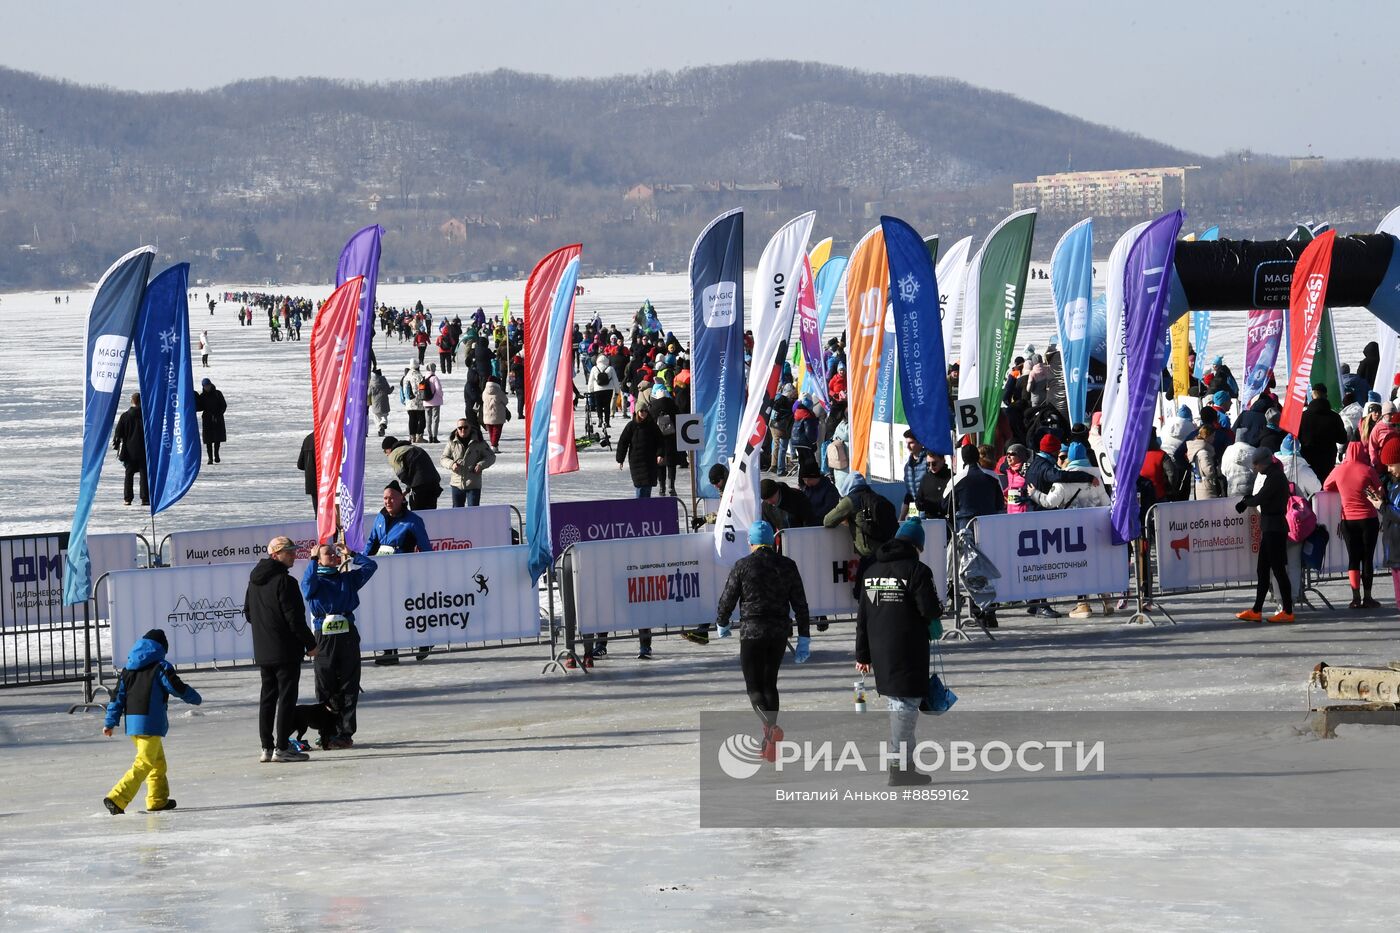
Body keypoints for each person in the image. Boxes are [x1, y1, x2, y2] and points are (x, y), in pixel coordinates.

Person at [712, 521, 811, 763]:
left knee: (754, 688)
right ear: (774, 541)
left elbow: (728, 598)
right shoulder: (787, 565)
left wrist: (722, 622)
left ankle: (770, 727)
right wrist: (804, 637)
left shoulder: (743, 565)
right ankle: (769, 742)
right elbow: (800, 603)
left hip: (752, 632)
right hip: (778, 632)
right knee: (770, 685)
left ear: (751, 542)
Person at [855, 519, 941, 786]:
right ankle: (898, 768)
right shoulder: (917, 570)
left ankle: (906, 766)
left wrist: (863, 655)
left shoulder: (871, 572)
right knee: (904, 707)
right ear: (917, 545)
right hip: (908, 649)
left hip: (881, 651)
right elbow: (929, 610)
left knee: (900, 707)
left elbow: (863, 617)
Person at [101, 628, 202, 814]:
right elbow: (176, 687)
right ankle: (117, 798)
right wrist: (195, 698)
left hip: (133, 724)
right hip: (150, 723)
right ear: (162, 648)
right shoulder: (161, 666)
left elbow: (117, 698)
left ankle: (157, 800)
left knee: (157, 763)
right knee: (144, 763)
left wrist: (110, 722)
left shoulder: (127, 670)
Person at [245, 536, 317, 763]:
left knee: (267, 698)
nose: (294, 555)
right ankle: (282, 747)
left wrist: (266, 628)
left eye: (293, 550)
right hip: (285, 650)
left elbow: (248, 613)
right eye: (288, 552)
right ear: (275, 555)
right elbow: (294, 619)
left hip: (264, 650)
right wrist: (311, 644)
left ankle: (266, 747)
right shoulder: (286, 582)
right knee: (286, 698)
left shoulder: (254, 581)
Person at [300, 543, 378, 749]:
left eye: (335, 554)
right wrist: (313, 559)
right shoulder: (315, 580)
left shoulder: (347, 579)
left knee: (349, 685)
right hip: (324, 637)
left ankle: (345, 733)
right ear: (318, 559)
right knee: (325, 685)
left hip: (347, 636)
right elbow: (306, 586)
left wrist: (351, 554)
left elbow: (371, 566)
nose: (334, 556)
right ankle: (328, 731)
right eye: (329, 554)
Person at [367, 482, 433, 664]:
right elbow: (371, 544)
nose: (388, 501)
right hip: (383, 573)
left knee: (409, 609)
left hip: (405, 573)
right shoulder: (380, 518)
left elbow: (426, 548)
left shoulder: (413, 520)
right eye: (385, 498)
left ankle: (425, 641)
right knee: (386, 611)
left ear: (401, 498)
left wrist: (427, 569)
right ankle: (391, 652)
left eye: (391, 498)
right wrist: (361, 562)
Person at [1235, 448, 1294, 623]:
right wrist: (1248, 500)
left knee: (1278, 570)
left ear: (1263, 463)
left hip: (1275, 529)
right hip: (1270, 528)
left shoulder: (1275, 477)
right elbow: (1262, 496)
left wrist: (1246, 502)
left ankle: (1288, 611)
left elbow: (1261, 497)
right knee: (1263, 570)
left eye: (1255, 464)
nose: (1254, 468)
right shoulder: (1273, 475)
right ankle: (1257, 610)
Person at [1324, 441, 1383, 609]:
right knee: (1367, 558)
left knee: (1353, 559)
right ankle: (1368, 597)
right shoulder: (1368, 470)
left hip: (1348, 521)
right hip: (1368, 519)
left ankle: (1355, 598)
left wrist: (1343, 489)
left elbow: (1326, 486)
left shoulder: (1338, 470)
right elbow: (1380, 492)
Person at [1368, 437, 1400, 613]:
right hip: (1394, 548)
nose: (1388, 469)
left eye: (1392, 465)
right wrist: (1382, 499)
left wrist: (1382, 506)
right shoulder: (1394, 484)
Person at [1297, 383, 1348, 483]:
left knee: (1310, 488)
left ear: (1312, 396)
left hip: (1307, 459)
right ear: (1326, 396)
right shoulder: (1334, 417)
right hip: (1327, 460)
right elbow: (1342, 438)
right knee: (1326, 486)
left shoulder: (1302, 416)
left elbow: (1295, 438)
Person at [440, 419, 496, 507]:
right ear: (457, 429)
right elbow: (443, 459)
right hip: (457, 483)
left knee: (473, 513)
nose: (463, 430)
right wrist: (452, 464)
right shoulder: (452, 442)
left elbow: (491, 457)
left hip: (473, 483)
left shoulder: (479, 442)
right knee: (457, 513)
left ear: (470, 428)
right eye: (460, 428)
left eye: (465, 427)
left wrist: (481, 465)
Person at [615, 404, 663, 498]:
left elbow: (660, 441)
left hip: (650, 460)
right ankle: (640, 509)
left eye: (645, 411)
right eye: (641, 411)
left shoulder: (652, 425)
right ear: (637, 412)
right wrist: (620, 459)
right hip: (636, 460)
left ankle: (646, 509)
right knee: (640, 486)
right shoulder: (631, 426)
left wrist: (660, 454)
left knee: (648, 485)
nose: (643, 413)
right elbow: (623, 442)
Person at [382, 436, 442, 510]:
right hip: (434, 483)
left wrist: (408, 488)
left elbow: (402, 475)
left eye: (385, 451)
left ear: (389, 449)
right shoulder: (412, 448)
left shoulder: (394, 454)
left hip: (420, 487)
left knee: (417, 513)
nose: (386, 454)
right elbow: (415, 469)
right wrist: (408, 489)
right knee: (430, 513)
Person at [112, 392, 149, 507]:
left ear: (132, 401)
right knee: (144, 475)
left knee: (129, 475)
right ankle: (145, 498)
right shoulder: (146, 415)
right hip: (143, 450)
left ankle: (128, 498)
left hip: (129, 451)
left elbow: (118, 433)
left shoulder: (125, 416)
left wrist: (116, 444)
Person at [1186, 425, 1224, 499]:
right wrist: (1217, 471)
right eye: (1212, 436)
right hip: (1207, 486)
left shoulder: (1197, 450)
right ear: (1207, 436)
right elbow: (1209, 471)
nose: (1214, 438)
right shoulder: (1204, 452)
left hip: (1200, 484)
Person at [195, 378, 227, 465]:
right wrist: (194, 396)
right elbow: (199, 407)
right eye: (205, 386)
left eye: (208, 385)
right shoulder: (202, 396)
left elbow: (223, 405)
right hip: (207, 419)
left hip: (217, 418)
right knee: (208, 440)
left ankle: (216, 455)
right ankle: (210, 458)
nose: (207, 387)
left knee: (217, 438)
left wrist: (219, 414)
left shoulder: (217, 393)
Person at [481, 377, 511, 451]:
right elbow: (505, 401)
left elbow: (482, 400)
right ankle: (494, 445)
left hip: (487, 414)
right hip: (498, 415)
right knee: (497, 431)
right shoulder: (499, 391)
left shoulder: (484, 391)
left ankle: (494, 446)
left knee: (491, 431)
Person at [401, 363, 427, 443]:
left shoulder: (406, 376)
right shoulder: (418, 376)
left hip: (409, 402)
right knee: (422, 420)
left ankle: (412, 437)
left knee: (412, 419)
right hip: (418, 402)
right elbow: (421, 388)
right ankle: (419, 436)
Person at [296, 431, 318, 515]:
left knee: (318, 513)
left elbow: (300, 465)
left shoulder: (307, 439)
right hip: (326, 482)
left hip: (312, 482)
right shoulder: (326, 438)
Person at [423, 363, 445, 444]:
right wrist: (441, 395)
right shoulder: (434, 378)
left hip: (426, 401)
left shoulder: (424, 377)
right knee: (435, 419)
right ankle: (435, 437)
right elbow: (438, 389)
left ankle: (430, 436)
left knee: (428, 420)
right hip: (435, 401)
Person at [368, 367, 392, 437]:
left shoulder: (372, 382)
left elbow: (368, 393)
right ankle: (383, 424)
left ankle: (379, 429)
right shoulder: (384, 380)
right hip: (384, 401)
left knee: (377, 417)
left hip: (375, 402)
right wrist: (391, 389)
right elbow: (388, 391)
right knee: (384, 415)